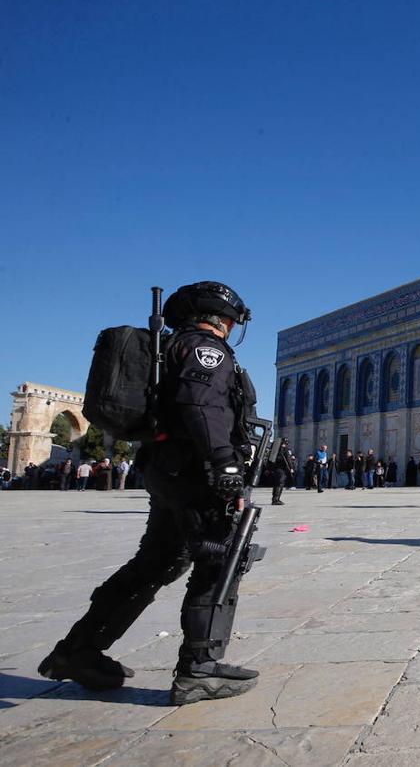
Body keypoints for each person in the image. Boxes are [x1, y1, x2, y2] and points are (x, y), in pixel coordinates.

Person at [39, 280, 261, 704]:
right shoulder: (205, 349)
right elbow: (201, 405)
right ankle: (199, 668)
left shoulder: (171, 348)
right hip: (196, 471)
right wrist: (226, 466)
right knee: (220, 558)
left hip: (166, 468)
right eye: (232, 320)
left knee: (159, 560)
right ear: (224, 319)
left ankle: (78, 650)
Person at [271, 438, 295, 506]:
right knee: (280, 484)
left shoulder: (275, 450)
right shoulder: (285, 450)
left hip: (276, 469)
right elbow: (288, 459)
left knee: (276, 484)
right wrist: (291, 468)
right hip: (282, 469)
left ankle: (275, 499)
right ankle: (276, 499)